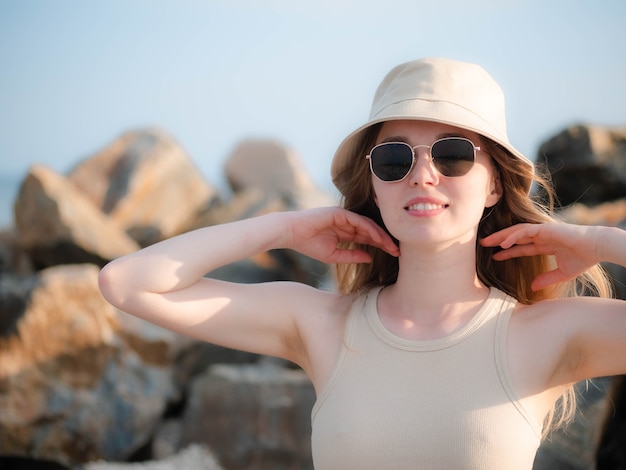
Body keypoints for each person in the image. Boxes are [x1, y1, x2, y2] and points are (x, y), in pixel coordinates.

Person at [98, 57, 626, 469]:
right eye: (394, 158)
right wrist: (283, 227)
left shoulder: (549, 333)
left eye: (453, 155)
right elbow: (126, 283)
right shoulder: (321, 324)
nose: (422, 174)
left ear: (493, 184)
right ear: (373, 185)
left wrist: (599, 242)